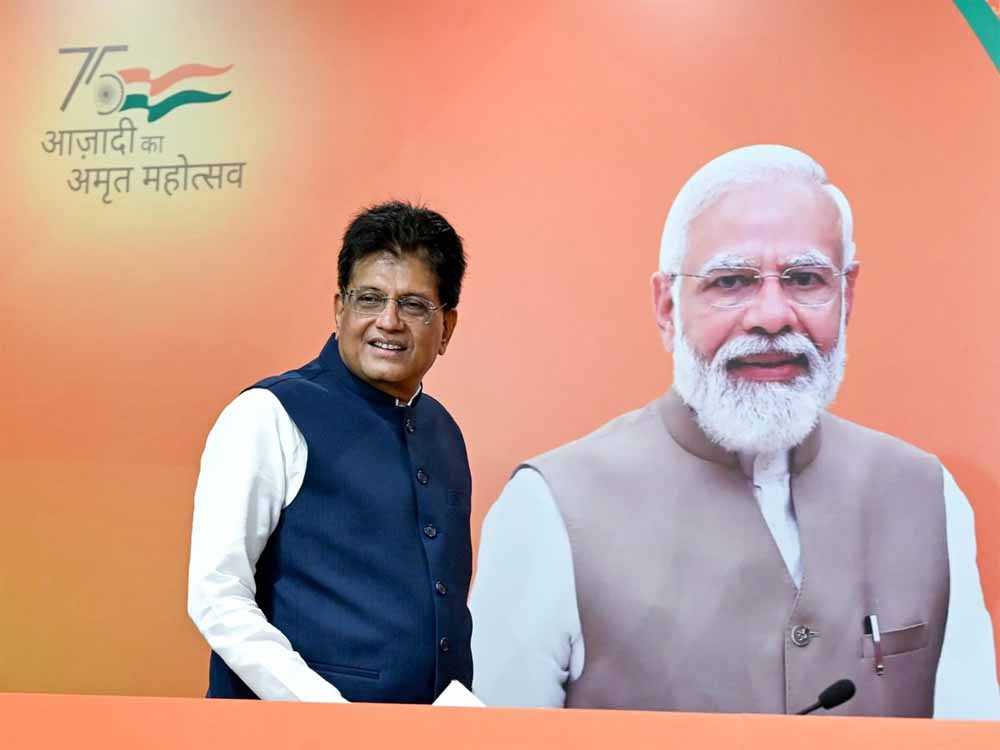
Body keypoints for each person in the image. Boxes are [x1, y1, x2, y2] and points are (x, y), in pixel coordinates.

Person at [469, 145, 1000, 718]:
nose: (771, 317)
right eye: (731, 282)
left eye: (804, 278)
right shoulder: (547, 509)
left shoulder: (928, 498)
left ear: (846, 296)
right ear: (667, 306)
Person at [188, 201, 479, 706]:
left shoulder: (444, 432)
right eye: (369, 299)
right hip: (284, 733)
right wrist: (326, 717)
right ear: (339, 310)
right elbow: (218, 596)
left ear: (447, 327)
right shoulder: (267, 414)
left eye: (413, 305)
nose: (388, 321)